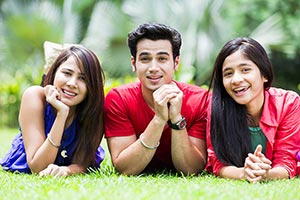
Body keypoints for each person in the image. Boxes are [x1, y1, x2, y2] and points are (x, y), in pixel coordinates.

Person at [104, 22, 208, 175]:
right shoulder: (119, 99)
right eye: (145, 59)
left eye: (162, 59)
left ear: (176, 63)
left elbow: (191, 170)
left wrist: (176, 118)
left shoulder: (200, 100)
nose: (153, 68)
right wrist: (159, 119)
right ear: (134, 64)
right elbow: (125, 168)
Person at [0, 45, 105, 177]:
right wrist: (61, 115)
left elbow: (83, 163)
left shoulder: (94, 110)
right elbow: (38, 167)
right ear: (54, 72)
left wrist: (66, 170)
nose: (72, 83)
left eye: (82, 78)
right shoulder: (35, 96)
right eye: (67, 73)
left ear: (92, 86)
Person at [206, 37, 300, 183]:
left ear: (265, 75)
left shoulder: (288, 103)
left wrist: (266, 174)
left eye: (245, 70)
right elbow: (217, 162)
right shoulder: (218, 108)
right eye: (228, 73)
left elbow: (287, 162)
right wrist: (244, 173)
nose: (236, 80)